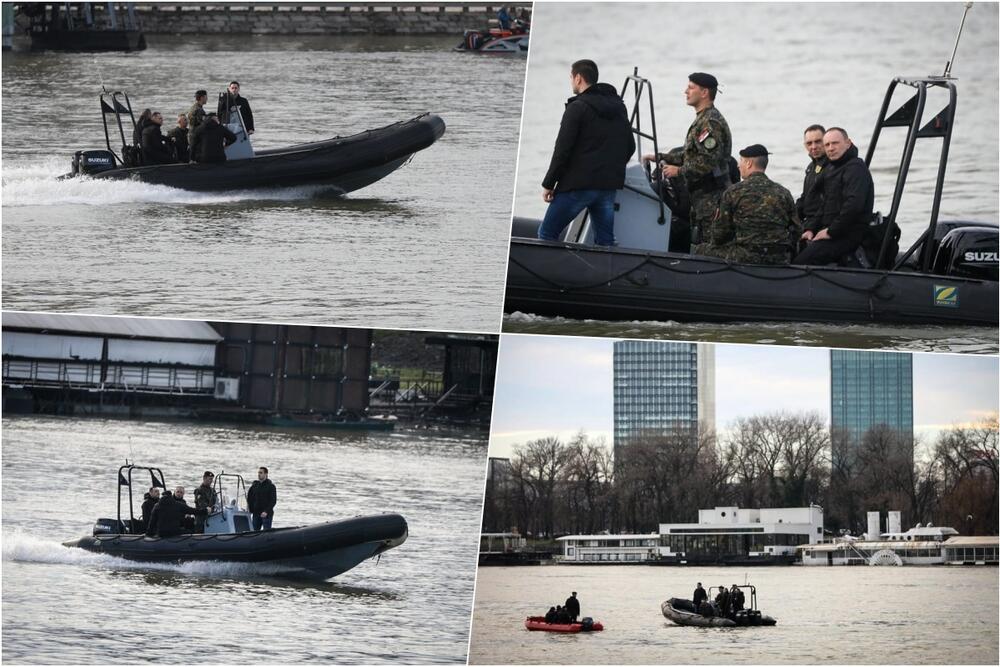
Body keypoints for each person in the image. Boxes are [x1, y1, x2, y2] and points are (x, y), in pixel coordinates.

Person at [538, 59, 635, 246]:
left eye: (571, 77)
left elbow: (562, 150)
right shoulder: (619, 107)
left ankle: (554, 274)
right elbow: (630, 146)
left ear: (578, 78)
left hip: (578, 186)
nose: (571, 81)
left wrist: (549, 183)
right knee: (605, 241)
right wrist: (610, 169)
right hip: (607, 186)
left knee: (546, 234)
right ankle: (607, 273)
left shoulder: (577, 108)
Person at [644, 73, 732, 250]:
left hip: (711, 197)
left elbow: (708, 160)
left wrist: (679, 171)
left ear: (704, 92)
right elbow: (691, 154)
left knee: (709, 245)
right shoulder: (702, 119)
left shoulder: (710, 122)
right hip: (700, 197)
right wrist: (661, 157)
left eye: (691, 88)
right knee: (699, 241)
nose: (686, 91)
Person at [696, 144, 799, 264]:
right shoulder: (784, 193)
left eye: (741, 161)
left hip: (744, 256)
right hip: (778, 258)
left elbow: (719, 236)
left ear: (749, 164)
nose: (738, 166)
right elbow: (797, 230)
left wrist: (715, 222)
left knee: (700, 249)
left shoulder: (733, 192)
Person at [794, 127, 874, 265]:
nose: (830, 148)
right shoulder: (832, 169)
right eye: (827, 145)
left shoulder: (856, 168)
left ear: (848, 143)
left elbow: (853, 206)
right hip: (831, 229)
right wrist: (810, 229)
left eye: (835, 143)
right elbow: (824, 205)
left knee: (802, 262)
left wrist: (831, 232)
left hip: (848, 234)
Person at [796, 124, 828, 229]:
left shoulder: (833, 166)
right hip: (808, 220)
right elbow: (805, 197)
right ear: (805, 145)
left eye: (818, 141)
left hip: (822, 223)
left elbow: (829, 203)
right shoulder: (811, 167)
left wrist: (810, 227)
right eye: (809, 143)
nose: (813, 147)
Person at [247, 466, 277, 531]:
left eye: (261, 473)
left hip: (266, 514)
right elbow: (250, 498)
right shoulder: (255, 485)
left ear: (266, 474)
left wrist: (266, 511)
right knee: (254, 532)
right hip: (256, 513)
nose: (259, 474)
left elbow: (273, 501)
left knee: (266, 532)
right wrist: (250, 509)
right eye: (258, 473)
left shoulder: (271, 486)